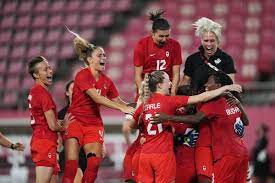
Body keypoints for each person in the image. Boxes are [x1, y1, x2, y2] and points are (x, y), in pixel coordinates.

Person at [129, 70, 241, 183]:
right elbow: (201, 97)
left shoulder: (144, 105)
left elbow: (132, 125)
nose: (171, 84)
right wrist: (224, 88)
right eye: (168, 81)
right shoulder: (169, 101)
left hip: (145, 155)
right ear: (159, 85)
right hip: (162, 155)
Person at [62, 31, 134, 183]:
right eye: (99, 56)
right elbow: (96, 97)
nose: (104, 58)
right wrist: (122, 108)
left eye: (104, 56)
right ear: (89, 60)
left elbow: (120, 102)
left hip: (93, 125)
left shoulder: (107, 81)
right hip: (76, 121)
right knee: (71, 165)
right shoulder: (82, 75)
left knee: (94, 164)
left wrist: (134, 106)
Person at [27, 56, 72, 183]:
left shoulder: (36, 91)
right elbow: (52, 126)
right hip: (44, 143)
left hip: (46, 142)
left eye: (50, 68)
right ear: (36, 75)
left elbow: (46, 121)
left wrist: (62, 123)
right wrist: (65, 125)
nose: (50, 71)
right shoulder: (42, 94)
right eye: (45, 70)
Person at [180, 17, 236, 93]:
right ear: (201, 41)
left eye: (212, 41)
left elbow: (230, 85)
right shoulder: (192, 59)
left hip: (218, 101)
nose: (209, 44)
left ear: (218, 41)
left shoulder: (227, 59)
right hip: (196, 101)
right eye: (206, 41)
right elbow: (185, 82)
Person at [58, 80, 86, 183]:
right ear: (67, 93)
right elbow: (58, 137)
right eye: (72, 89)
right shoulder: (61, 114)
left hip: (84, 153)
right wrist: (56, 153)